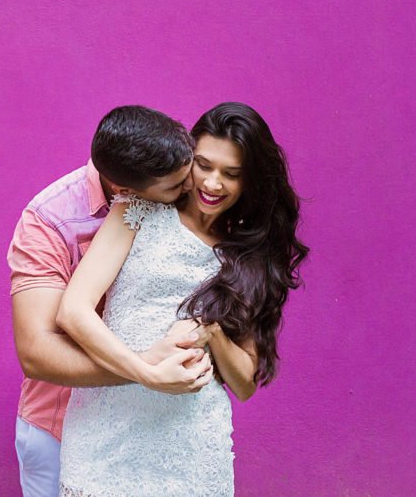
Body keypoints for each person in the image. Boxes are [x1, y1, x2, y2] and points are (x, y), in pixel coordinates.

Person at [56, 102, 309, 496]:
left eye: (231, 174)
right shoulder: (137, 211)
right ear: (187, 156)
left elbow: (243, 385)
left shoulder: (250, 257)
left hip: (191, 448)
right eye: (204, 165)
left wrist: (211, 330)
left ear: (250, 181)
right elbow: (73, 312)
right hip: (107, 437)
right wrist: (146, 373)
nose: (212, 184)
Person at [9, 106, 216, 497]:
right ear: (128, 192)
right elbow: (36, 352)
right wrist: (145, 369)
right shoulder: (49, 221)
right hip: (60, 425)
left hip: (151, 427)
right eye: (176, 187)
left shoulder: (174, 184)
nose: (191, 189)